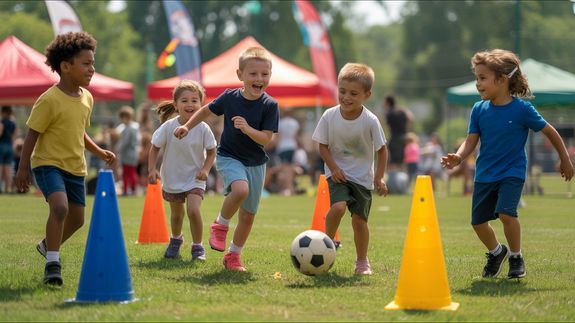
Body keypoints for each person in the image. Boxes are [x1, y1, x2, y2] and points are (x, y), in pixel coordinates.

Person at [441, 49, 574, 279]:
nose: (477, 83)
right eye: (477, 78)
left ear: (502, 80)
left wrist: (565, 158)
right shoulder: (478, 109)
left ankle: (515, 256)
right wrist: (459, 157)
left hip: (512, 172)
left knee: (506, 214)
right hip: (484, 175)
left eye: (483, 78)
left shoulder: (522, 109)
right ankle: (496, 252)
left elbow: (550, 131)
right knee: (478, 223)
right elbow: (471, 140)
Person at [14, 32, 116, 286]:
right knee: (60, 208)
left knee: (78, 219)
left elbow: (78, 132)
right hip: (48, 164)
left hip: (76, 167)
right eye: (86, 63)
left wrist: (99, 152)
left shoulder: (87, 98)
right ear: (66, 67)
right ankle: (53, 264)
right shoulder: (48, 100)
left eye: (93, 63)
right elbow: (32, 134)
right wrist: (23, 168)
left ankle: (47, 245)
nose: (92, 69)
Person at [173, 47, 279, 271]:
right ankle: (220, 225)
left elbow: (266, 139)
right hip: (229, 156)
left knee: (248, 217)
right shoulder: (230, 97)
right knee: (240, 191)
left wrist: (248, 129)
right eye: (253, 74)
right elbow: (205, 111)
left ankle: (233, 256)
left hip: (256, 163)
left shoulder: (270, 105)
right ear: (240, 74)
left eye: (264, 74)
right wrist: (187, 125)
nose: (259, 79)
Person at [312, 63, 388, 275]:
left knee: (359, 221)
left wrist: (379, 178)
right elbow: (322, 146)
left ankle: (362, 261)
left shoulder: (370, 120)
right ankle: (327, 243)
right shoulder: (329, 116)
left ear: (367, 94)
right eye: (342, 91)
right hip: (338, 175)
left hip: (362, 178)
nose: (346, 97)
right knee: (338, 208)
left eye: (353, 93)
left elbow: (382, 150)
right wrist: (334, 168)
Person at [149, 80, 216, 260]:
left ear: (201, 105)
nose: (190, 104)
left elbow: (211, 151)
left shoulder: (203, 128)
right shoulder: (168, 127)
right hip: (172, 177)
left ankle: (197, 247)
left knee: (193, 210)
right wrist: (152, 170)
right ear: (176, 105)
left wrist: (206, 169)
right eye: (184, 100)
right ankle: (176, 240)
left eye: (195, 100)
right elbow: (154, 147)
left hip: (195, 178)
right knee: (177, 215)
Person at [384, 95, 413, 171]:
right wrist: (406, 130)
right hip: (403, 138)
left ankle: (393, 179)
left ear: (387, 103)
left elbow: (386, 126)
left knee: (392, 160)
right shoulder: (402, 111)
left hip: (394, 138)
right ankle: (403, 179)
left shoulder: (389, 113)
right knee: (403, 159)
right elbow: (411, 118)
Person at [116, 106, 140, 196]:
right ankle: (133, 189)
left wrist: (118, 149)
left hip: (127, 154)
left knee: (126, 173)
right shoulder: (135, 126)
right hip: (134, 153)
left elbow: (125, 142)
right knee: (132, 172)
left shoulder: (128, 128)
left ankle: (126, 190)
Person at [0, 106, 17, 193]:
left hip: (2, 146)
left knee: (1, 168)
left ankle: (1, 188)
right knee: (8, 169)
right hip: (10, 146)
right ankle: (8, 188)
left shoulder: (2, 122)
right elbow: (14, 137)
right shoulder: (13, 123)